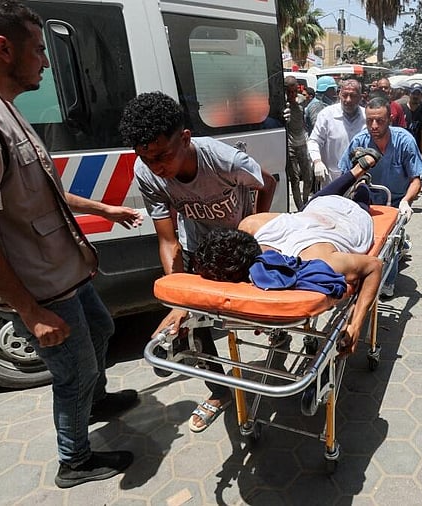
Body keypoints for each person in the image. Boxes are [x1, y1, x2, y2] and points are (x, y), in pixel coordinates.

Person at [0, 0, 142, 488]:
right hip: (39, 285)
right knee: (72, 373)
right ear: (4, 49)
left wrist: (103, 210)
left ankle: (96, 400)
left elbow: (36, 189)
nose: (46, 60)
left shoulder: (3, 109)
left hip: (64, 269)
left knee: (103, 330)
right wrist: (29, 311)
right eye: (39, 50)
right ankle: (76, 460)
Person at [119, 91, 277, 433]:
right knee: (194, 325)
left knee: (259, 313)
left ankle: (276, 341)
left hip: (236, 248)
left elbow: (269, 183)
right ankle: (219, 392)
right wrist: (178, 300)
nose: (157, 167)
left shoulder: (225, 161)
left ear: (185, 138)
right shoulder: (148, 174)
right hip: (196, 249)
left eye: (163, 156)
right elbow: (167, 240)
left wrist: (250, 232)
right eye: (147, 158)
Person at [197, 151, 385, 356]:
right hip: (316, 210)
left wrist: (355, 324)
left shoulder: (317, 259)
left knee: (360, 200)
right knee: (312, 204)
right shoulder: (251, 225)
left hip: (350, 217)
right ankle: (358, 173)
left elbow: (374, 266)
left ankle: (363, 183)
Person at [339, 97, 422, 299]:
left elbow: (416, 178)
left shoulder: (404, 141)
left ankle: (387, 279)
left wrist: (406, 201)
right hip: (367, 201)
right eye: (369, 121)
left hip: (395, 201)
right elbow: (346, 173)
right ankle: (364, 275)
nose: (374, 126)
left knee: (390, 241)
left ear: (390, 119)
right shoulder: (360, 141)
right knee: (365, 242)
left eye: (379, 120)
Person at [308, 79, 366, 184]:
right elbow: (314, 141)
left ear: (360, 97)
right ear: (339, 94)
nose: (348, 100)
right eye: (345, 95)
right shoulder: (326, 115)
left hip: (360, 178)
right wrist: (317, 161)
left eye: (352, 96)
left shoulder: (367, 117)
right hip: (332, 179)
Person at [284, 76, 313, 210]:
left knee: (308, 177)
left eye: (294, 91)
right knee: (294, 180)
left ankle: (306, 202)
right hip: (290, 146)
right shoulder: (283, 104)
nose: (292, 94)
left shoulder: (302, 100)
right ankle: (300, 208)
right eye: (289, 92)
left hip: (302, 143)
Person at [401, 83, 422, 154]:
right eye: (414, 93)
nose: (416, 96)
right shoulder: (401, 109)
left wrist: (421, 150)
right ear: (409, 94)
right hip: (402, 145)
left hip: (415, 147)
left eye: (418, 94)